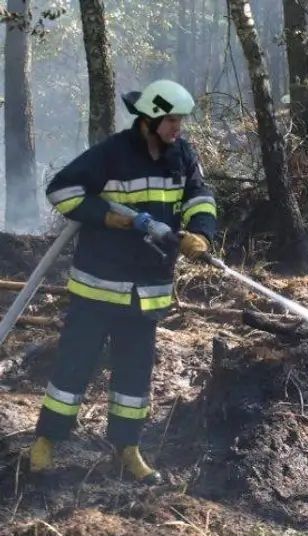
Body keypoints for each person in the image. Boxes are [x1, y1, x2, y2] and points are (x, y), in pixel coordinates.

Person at [27, 79, 217, 483]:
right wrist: (106, 216)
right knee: (73, 369)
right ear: (148, 120)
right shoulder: (111, 154)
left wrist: (199, 231)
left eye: (180, 120)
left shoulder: (182, 156)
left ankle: (127, 449)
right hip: (99, 283)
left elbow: (201, 195)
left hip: (147, 289)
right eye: (170, 120)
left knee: (134, 377)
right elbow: (61, 190)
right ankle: (46, 442)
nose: (177, 128)